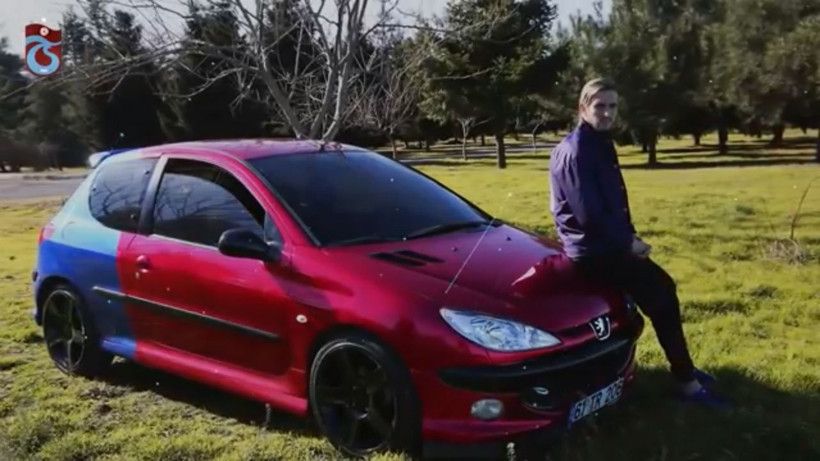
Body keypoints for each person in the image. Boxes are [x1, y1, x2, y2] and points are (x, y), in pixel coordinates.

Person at [549, 77, 730, 408]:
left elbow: (610, 204)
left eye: (613, 106)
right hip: (593, 251)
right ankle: (687, 384)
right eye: (599, 105)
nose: (607, 113)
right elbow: (588, 214)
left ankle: (683, 372)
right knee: (661, 293)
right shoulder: (577, 151)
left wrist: (628, 238)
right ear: (582, 108)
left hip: (608, 244)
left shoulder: (599, 143)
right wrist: (627, 243)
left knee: (661, 293)